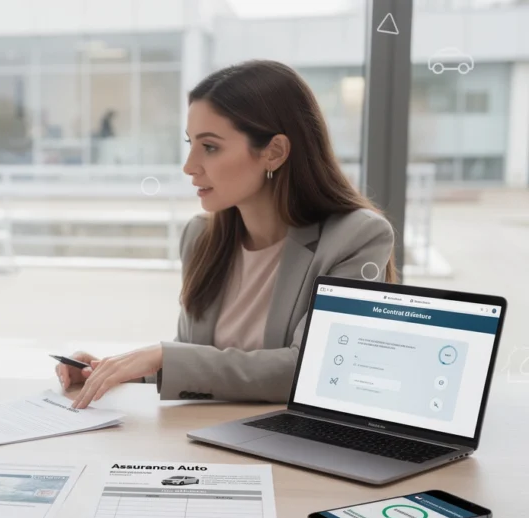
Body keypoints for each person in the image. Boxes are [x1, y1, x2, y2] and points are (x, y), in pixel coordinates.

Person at [57, 60, 397, 408]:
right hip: (203, 439)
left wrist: (162, 356)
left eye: (210, 147)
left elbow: (313, 370)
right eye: (191, 143)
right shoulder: (201, 237)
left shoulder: (357, 238)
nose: (189, 166)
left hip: (296, 446)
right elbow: (199, 365)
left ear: (274, 152)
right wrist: (112, 369)